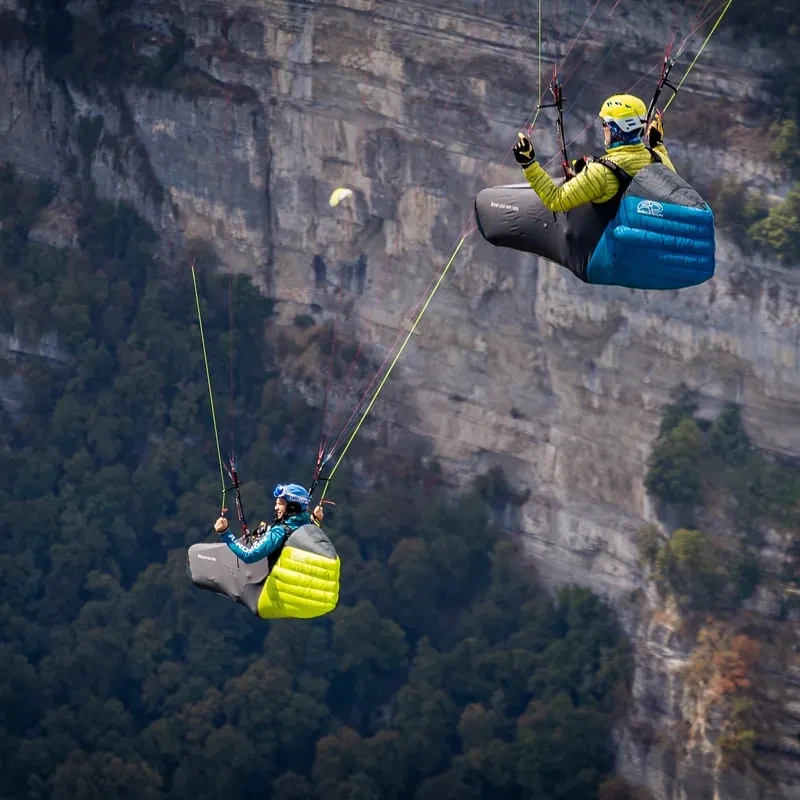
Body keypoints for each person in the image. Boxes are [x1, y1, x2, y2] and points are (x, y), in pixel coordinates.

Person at [512, 94, 674, 212]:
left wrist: (529, 164)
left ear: (615, 129)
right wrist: (657, 143)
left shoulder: (600, 173)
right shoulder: (660, 161)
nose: (603, 129)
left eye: (605, 124)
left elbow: (556, 200)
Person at [213, 483, 325, 564]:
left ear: (292, 507)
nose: (276, 507)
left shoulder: (280, 532)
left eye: (280, 504)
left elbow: (248, 556)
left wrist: (225, 533)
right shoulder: (310, 527)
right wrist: (317, 519)